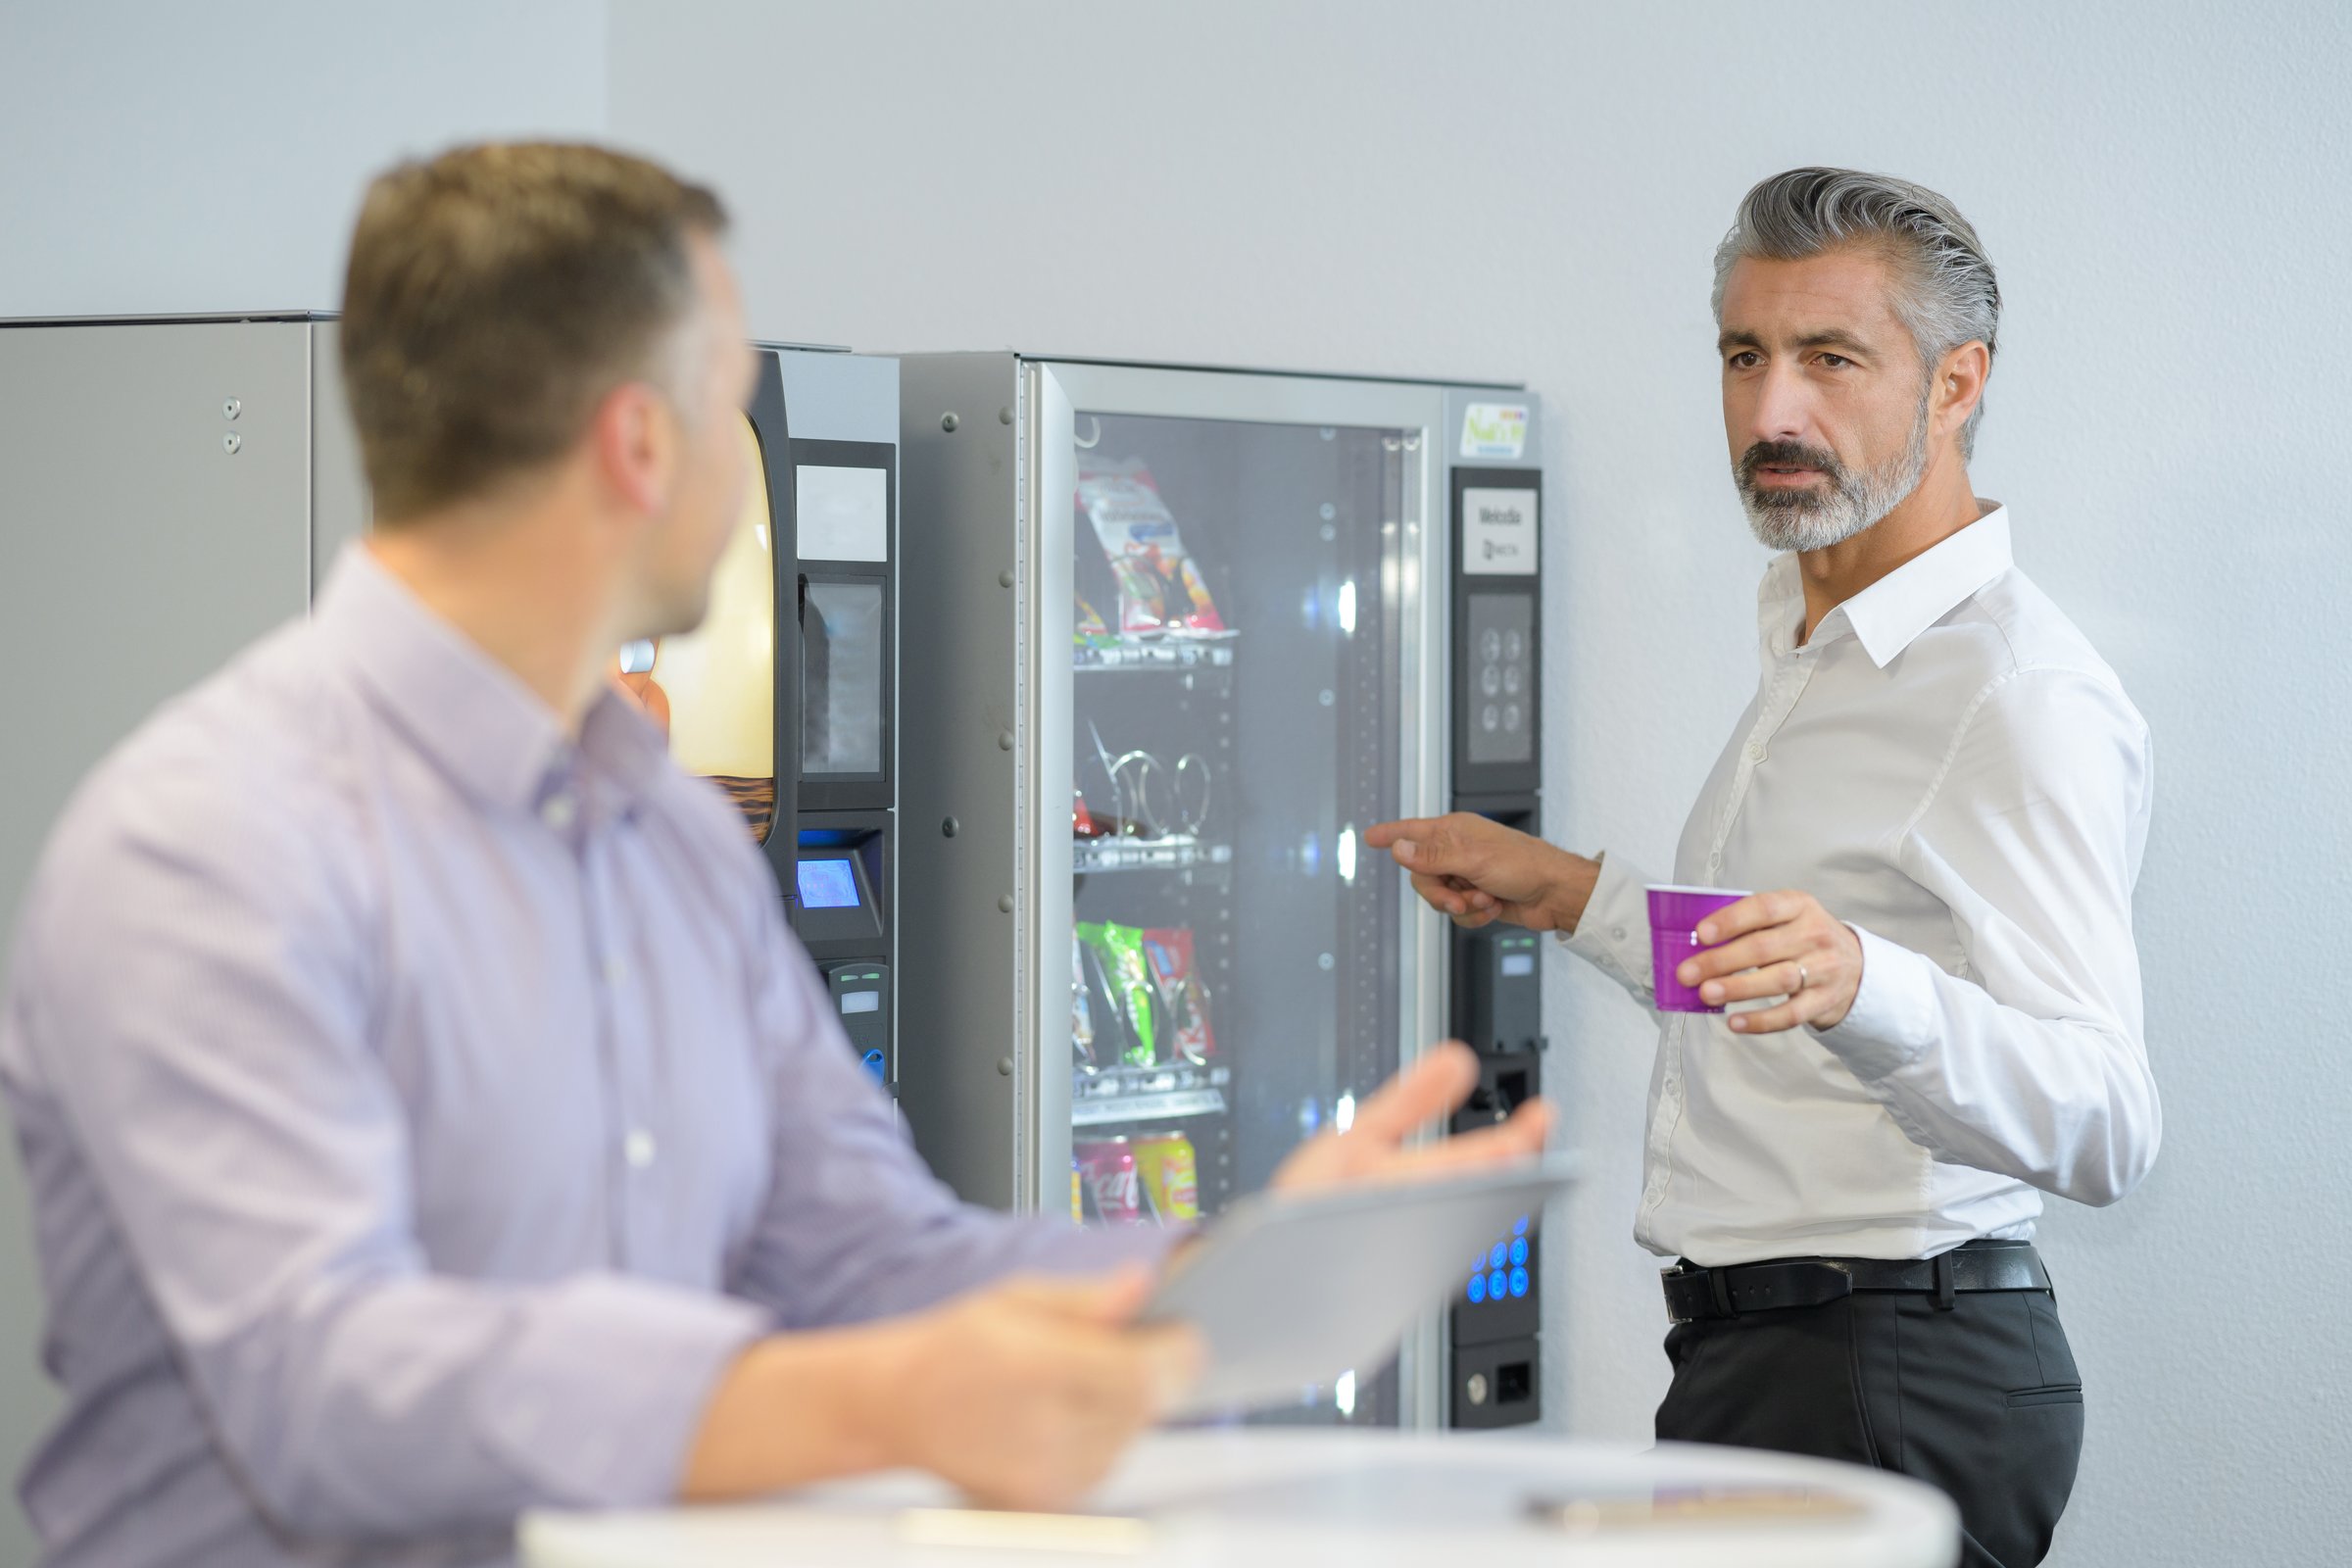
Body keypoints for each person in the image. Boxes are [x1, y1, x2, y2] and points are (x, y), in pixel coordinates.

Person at [0, 143, 1552, 1568]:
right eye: (732, 389)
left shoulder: (661, 831)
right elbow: (324, 1386)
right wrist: (881, 1404)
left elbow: (868, 1251)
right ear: (636, 443)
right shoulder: (211, 844)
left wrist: (1241, 1274)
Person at [1369, 168, 2156, 1568]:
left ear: (1957, 382)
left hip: (1885, 1374)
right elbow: (1766, 974)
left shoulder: (2013, 696)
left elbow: (2108, 1122)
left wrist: (1868, 983)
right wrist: (1563, 892)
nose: (1771, 413)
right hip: (1774, 1361)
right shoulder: (1813, 633)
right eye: (1746, 356)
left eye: (1831, 360)